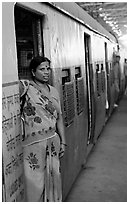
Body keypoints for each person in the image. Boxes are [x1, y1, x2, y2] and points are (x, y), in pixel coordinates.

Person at [19, 56, 66, 202]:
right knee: (35, 183)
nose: (46, 72)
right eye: (41, 69)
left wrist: (63, 142)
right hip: (33, 146)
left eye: (48, 68)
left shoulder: (54, 91)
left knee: (53, 180)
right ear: (33, 72)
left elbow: (59, 118)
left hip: (53, 142)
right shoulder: (26, 88)